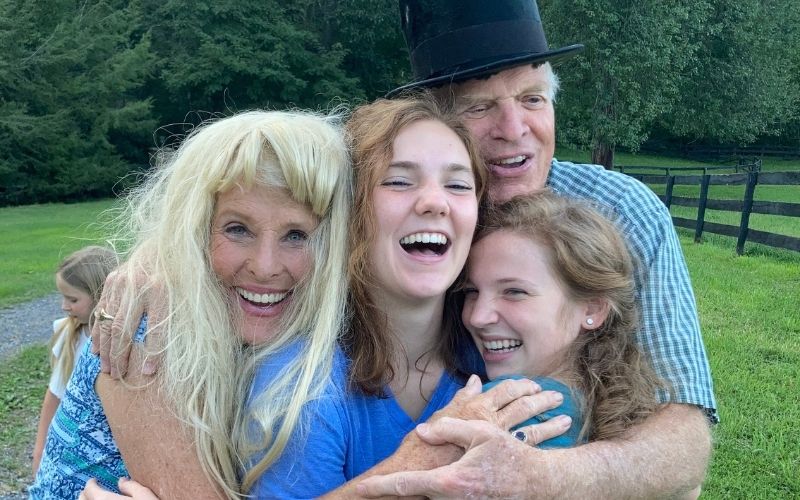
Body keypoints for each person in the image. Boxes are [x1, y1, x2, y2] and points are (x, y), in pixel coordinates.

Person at [356, 0, 716, 497]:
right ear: (438, 123)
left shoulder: (623, 212)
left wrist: (539, 476)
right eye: (479, 106)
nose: (513, 128)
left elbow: (684, 433)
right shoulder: (394, 215)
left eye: (532, 99)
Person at [29, 110, 353, 499]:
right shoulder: (149, 328)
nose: (265, 267)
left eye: (296, 235)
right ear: (193, 230)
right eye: (237, 229)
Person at [465, 191, 668, 449]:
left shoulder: (507, 409)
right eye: (471, 292)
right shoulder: (609, 403)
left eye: (514, 292)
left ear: (592, 309)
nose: (477, 316)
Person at [31, 245, 118, 476]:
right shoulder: (71, 338)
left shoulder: (123, 341)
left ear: (100, 295)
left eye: (72, 299)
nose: (64, 306)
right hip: (73, 446)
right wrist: (40, 450)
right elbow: (54, 395)